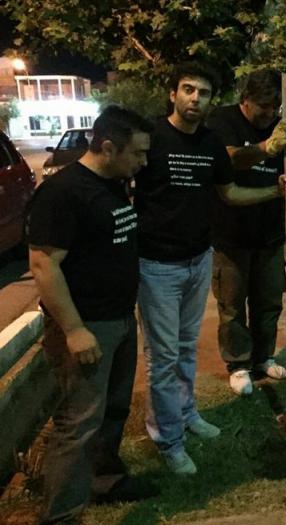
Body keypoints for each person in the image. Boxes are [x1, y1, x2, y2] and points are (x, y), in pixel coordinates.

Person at [135, 63, 286, 475]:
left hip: (197, 257)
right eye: (188, 89)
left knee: (186, 348)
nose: (195, 98)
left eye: (203, 92)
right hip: (157, 264)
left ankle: (187, 414)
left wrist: (274, 191)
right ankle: (168, 439)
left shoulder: (208, 142)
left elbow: (230, 192)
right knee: (162, 357)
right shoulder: (152, 138)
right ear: (173, 94)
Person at [27, 106, 156, 524]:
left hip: (118, 319)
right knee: (79, 422)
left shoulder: (113, 183)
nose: (144, 162)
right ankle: (61, 515)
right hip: (88, 326)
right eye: (137, 153)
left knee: (113, 410)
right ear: (108, 147)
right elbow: (44, 265)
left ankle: (104, 481)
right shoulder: (63, 193)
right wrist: (75, 329)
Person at [206, 69, 286, 396]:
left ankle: (263, 357)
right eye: (263, 106)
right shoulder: (223, 120)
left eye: (275, 107)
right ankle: (238, 364)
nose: (269, 113)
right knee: (232, 306)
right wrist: (266, 148)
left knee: (269, 302)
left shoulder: (280, 127)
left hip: (270, 236)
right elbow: (228, 159)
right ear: (245, 100)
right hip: (230, 236)